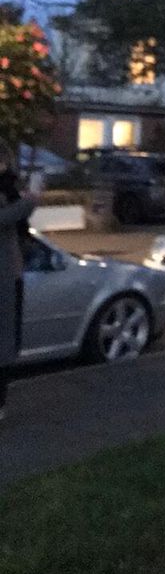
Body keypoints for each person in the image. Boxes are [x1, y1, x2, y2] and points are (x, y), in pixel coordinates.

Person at [0, 141, 37, 421]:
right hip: (4, 275)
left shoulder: (8, 186)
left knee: (8, 339)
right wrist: (30, 201)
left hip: (10, 272)